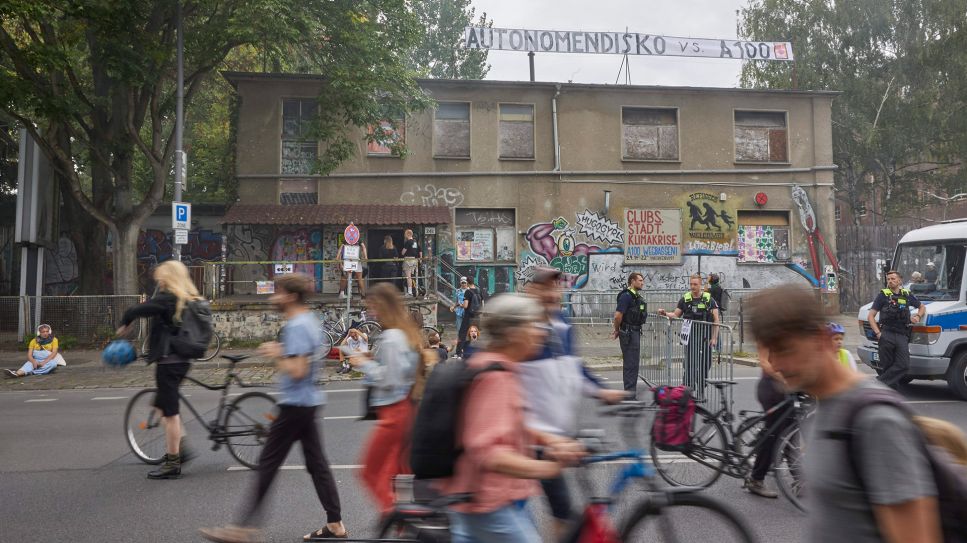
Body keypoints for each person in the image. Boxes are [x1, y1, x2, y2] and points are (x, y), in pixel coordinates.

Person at [747, 285, 941, 543]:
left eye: (785, 349)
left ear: (823, 340)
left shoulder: (876, 421)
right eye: (770, 352)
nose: (776, 364)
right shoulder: (824, 411)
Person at [200, 274, 348, 543]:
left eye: (277, 292)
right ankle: (335, 522)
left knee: (268, 464)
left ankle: (241, 529)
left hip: (295, 405)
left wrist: (275, 353)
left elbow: (298, 370)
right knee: (317, 465)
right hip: (308, 403)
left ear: (290, 296)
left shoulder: (297, 326)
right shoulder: (310, 322)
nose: (273, 298)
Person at [439, 293, 585, 543]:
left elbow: (508, 424)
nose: (541, 333)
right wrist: (548, 468)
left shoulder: (494, 365)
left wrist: (551, 440)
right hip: (488, 502)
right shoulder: (496, 377)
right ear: (513, 333)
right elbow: (488, 452)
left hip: (483, 498)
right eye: (533, 325)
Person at [520, 268, 627, 537]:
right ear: (531, 291)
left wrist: (604, 391)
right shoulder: (522, 331)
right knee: (530, 513)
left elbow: (574, 369)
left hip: (554, 438)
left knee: (559, 511)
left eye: (556, 287)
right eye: (545, 287)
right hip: (530, 438)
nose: (552, 293)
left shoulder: (563, 325)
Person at [116, 260, 203, 479]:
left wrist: (126, 321)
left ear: (167, 278)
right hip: (181, 361)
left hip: (168, 363)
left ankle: (173, 463)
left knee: (170, 414)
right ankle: (180, 448)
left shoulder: (168, 299)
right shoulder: (189, 299)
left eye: (160, 277)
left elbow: (138, 309)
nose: (158, 281)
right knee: (163, 406)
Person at [347, 282, 422, 512]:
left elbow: (390, 380)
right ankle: (404, 521)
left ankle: (397, 521)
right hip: (405, 410)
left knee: (370, 472)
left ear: (384, 307)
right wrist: (374, 359)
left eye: (373, 306)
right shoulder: (404, 333)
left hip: (393, 413)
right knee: (397, 474)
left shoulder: (390, 338)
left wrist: (364, 364)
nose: (371, 312)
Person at [658, 273, 720, 395]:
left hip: (706, 337)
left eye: (695, 284)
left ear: (701, 284)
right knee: (690, 363)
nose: (692, 286)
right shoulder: (685, 299)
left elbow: (716, 320)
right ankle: (688, 391)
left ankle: (701, 385)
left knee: (706, 363)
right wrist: (665, 313)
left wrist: (714, 338)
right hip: (691, 337)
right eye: (691, 284)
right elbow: (676, 315)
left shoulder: (709, 299)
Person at [867, 270, 925, 390]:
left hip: (902, 335)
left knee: (904, 365)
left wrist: (918, 316)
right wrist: (878, 333)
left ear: (899, 281)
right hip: (886, 334)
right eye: (888, 279)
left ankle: (877, 384)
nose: (890, 281)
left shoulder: (906, 294)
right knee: (888, 366)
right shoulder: (883, 295)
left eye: (893, 279)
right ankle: (889, 392)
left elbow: (921, 307)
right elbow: (870, 316)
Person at [744, 348, 788, 498]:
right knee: (773, 434)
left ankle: (800, 479)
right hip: (771, 388)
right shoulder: (769, 330)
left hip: (787, 388)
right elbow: (764, 362)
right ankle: (756, 480)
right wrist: (784, 379)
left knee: (790, 432)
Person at [611, 272, 646, 399]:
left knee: (633, 364)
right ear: (632, 281)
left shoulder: (635, 296)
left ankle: (630, 394)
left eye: (642, 280)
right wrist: (616, 330)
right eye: (640, 280)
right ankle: (629, 396)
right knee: (631, 365)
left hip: (634, 332)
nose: (642, 283)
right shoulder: (626, 296)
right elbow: (618, 315)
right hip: (629, 333)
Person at [455, 277, 482, 358]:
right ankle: (477, 350)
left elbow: (466, 306)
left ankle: (459, 352)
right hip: (476, 315)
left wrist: (460, 305)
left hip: (468, 316)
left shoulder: (467, 291)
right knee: (475, 333)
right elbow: (482, 302)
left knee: (462, 334)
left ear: (467, 282)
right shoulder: (478, 290)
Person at [401, 228, 422, 297]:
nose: (405, 236)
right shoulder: (415, 242)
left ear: (407, 234)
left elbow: (403, 252)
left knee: (408, 277)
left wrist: (402, 253)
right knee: (413, 276)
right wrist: (420, 259)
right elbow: (420, 251)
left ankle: (410, 292)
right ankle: (416, 291)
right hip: (414, 260)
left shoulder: (408, 242)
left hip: (408, 260)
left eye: (405, 234)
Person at [449, 277, 468, 349]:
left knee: (466, 330)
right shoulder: (458, 291)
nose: (463, 284)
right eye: (462, 282)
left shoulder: (469, 291)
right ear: (460, 282)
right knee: (459, 330)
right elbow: (456, 302)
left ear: (467, 283)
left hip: (466, 311)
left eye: (464, 282)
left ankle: (466, 346)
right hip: (459, 312)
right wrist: (453, 307)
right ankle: (460, 347)